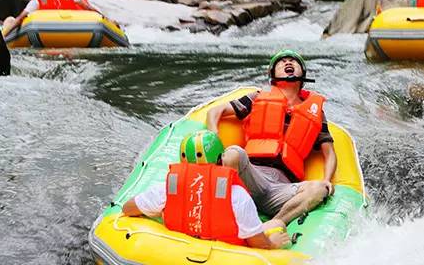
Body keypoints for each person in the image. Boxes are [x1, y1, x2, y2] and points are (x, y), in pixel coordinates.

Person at [206, 49, 337, 225]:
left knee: (320, 189)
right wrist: (213, 135)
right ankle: (221, 214)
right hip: (251, 175)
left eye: (293, 61)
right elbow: (215, 111)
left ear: (302, 74)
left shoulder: (316, 112)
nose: (288, 63)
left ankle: (273, 225)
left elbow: (329, 154)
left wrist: (327, 179)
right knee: (233, 153)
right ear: (273, 75)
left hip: (283, 188)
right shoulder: (258, 98)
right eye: (282, 62)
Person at [122, 130, 291, 249]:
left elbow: (128, 209)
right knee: (276, 224)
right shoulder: (237, 195)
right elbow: (258, 243)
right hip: (226, 255)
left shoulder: (167, 189)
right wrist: (272, 243)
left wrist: (160, 213)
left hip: (176, 250)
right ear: (220, 160)